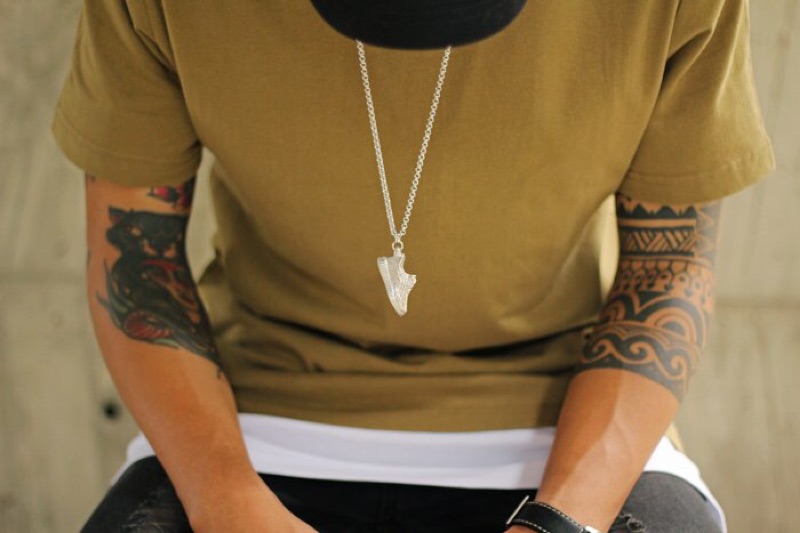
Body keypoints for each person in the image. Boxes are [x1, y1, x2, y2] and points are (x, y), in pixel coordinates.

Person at [52, 1, 774, 532]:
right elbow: (134, 261)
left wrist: (561, 521)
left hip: (561, 420)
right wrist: (228, 502)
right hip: (254, 415)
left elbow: (667, 265)